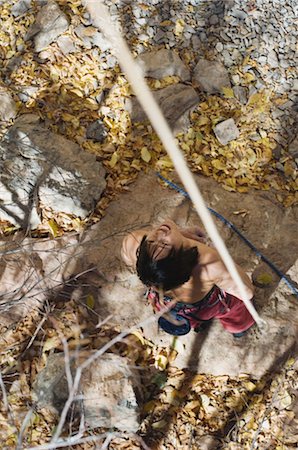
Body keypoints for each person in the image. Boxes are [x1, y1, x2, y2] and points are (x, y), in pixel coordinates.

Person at [121, 219, 255, 337]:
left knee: (188, 316)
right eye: (165, 244)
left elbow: (127, 258)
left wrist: (182, 236)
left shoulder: (135, 241)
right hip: (202, 305)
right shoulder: (211, 263)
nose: (160, 233)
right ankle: (238, 327)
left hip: (160, 298)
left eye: (151, 241)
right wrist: (224, 260)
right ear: (183, 259)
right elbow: (246, 292)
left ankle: (195, 323)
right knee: (235, 305)